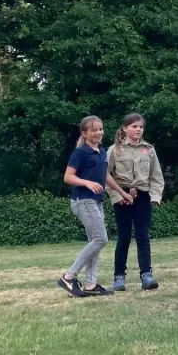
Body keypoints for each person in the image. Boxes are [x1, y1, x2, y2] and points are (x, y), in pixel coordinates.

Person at [58, 116, 132, 298]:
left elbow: (105, 175)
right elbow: (68, 177)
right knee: (100, 239)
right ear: (84, 133)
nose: (99, 133)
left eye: (101, 129)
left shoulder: (101, 151)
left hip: (96, 201)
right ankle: (69, 276)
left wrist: (122, 193)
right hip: (83, 200)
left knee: (95, 242)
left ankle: (90, 284)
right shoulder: (80, 153)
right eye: (94, 130)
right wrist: (87, 183)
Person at [107, 113, 164, 292]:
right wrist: (117, 196)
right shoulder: (114, 150)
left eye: (140, 127)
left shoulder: (149, 149)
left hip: (143, 195)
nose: (138, 129)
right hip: (122, 195)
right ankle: (119, 277)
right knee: (124, 237)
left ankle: (146, 276)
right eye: (134, 126)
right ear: (124, 128)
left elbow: (156, 176)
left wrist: (155, 197)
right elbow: (105, 175)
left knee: (143, 236)